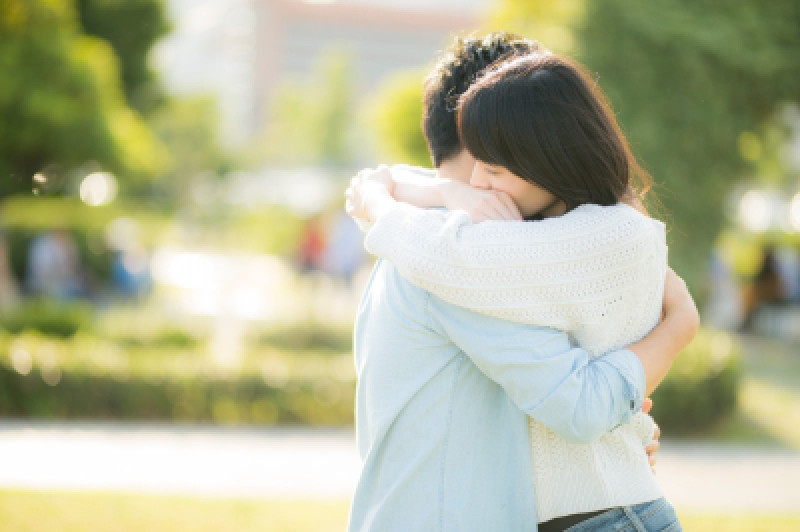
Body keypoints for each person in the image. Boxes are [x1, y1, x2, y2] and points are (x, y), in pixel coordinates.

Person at [346, 35, 698, 531]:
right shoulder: (446, 254)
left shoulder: (450, 254)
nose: (484, 185)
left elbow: (583, 405)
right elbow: (585, 406)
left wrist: (381, 194)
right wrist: (671, 339)